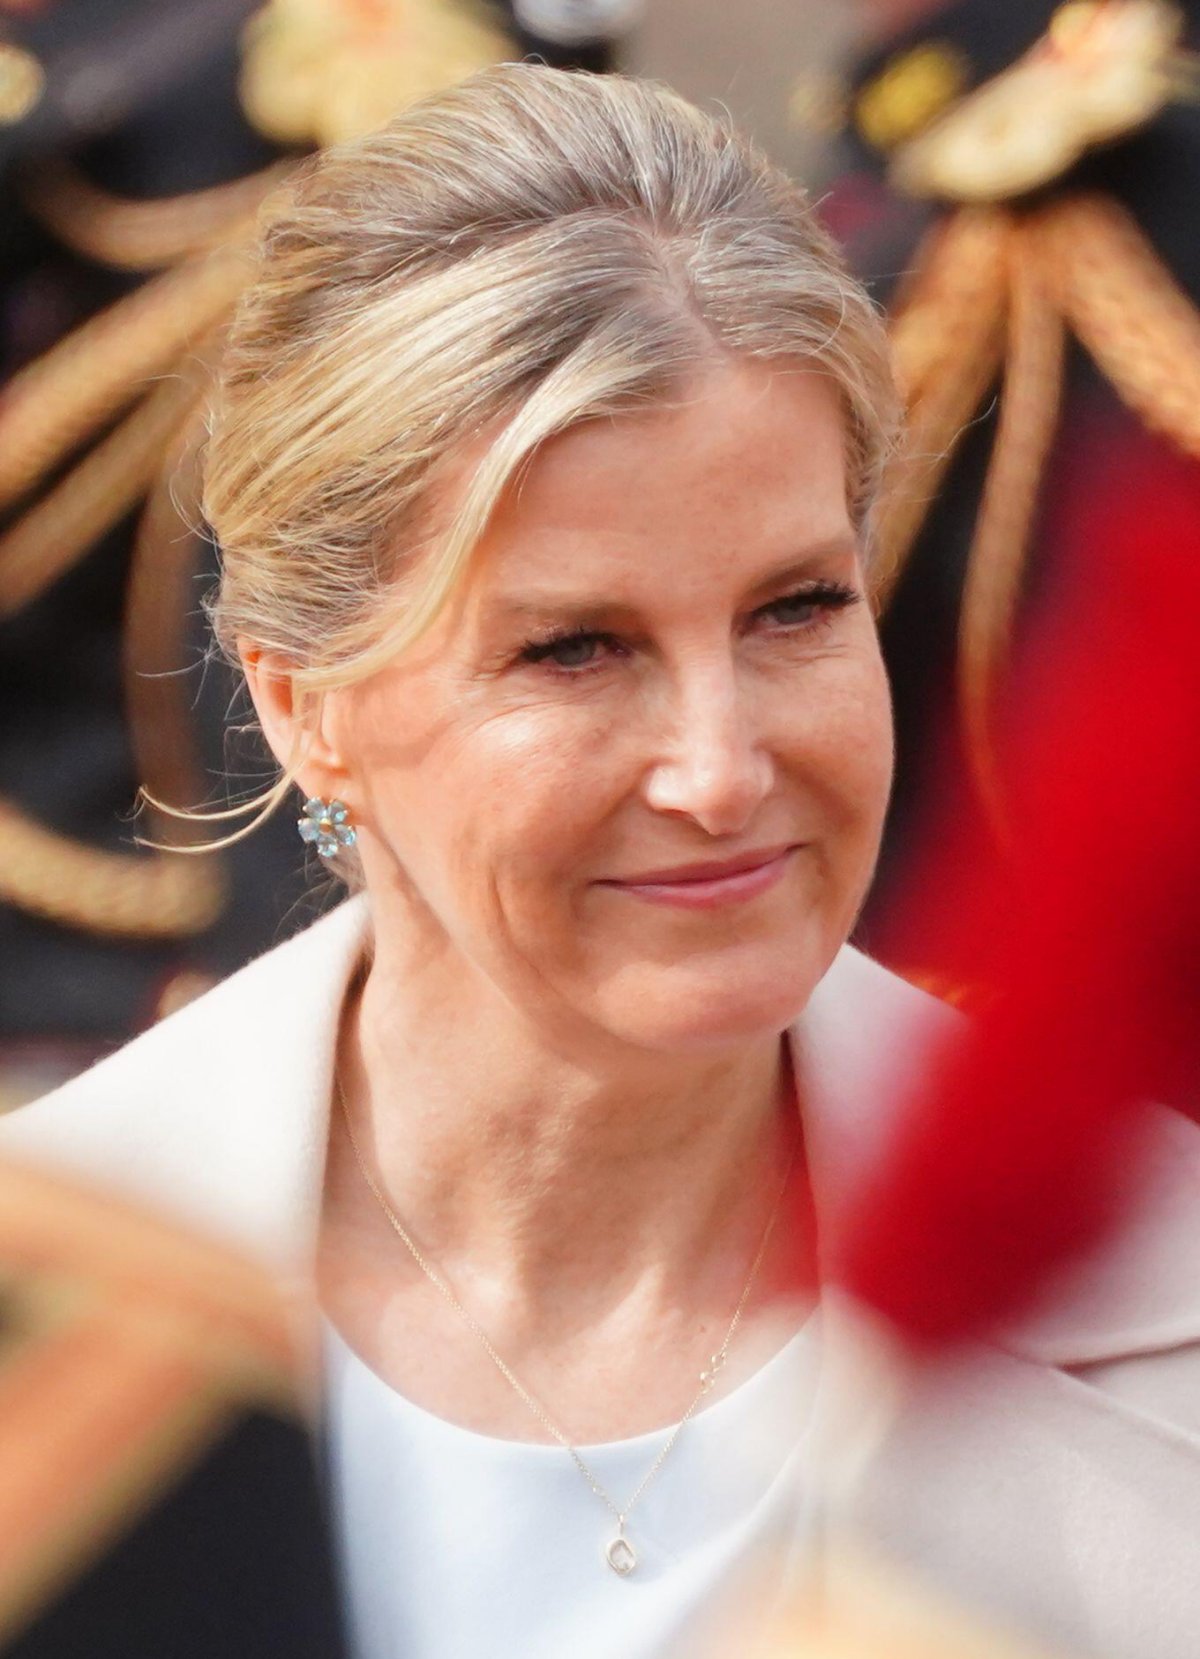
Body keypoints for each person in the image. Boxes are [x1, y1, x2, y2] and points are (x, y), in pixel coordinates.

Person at [3, 64, 1199, 1659]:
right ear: (302, 708)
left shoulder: (1159, 1287)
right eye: (574, 651)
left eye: (796, 611)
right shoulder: (56, 1298)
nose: (719, 772)